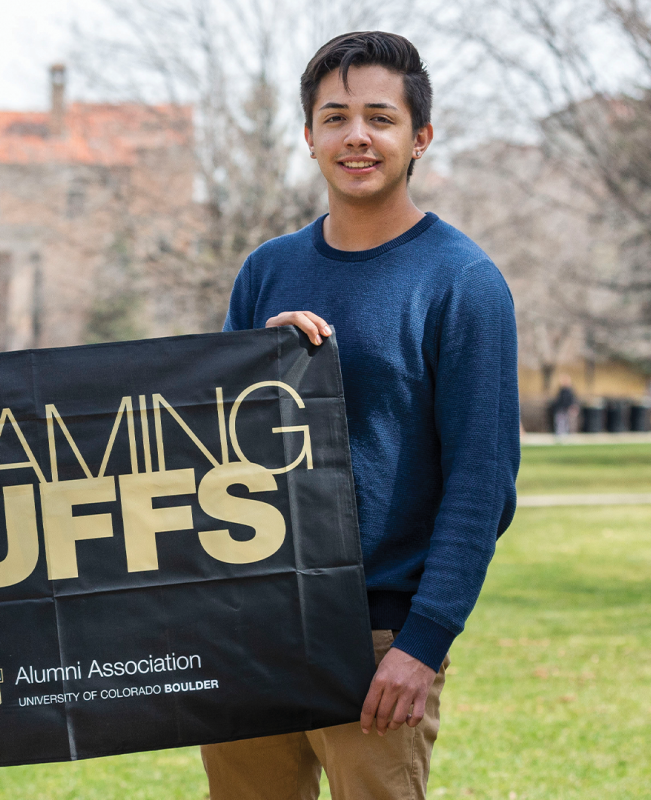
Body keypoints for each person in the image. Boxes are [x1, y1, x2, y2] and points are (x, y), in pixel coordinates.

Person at [200, 32, 520, 799]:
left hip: (377, 638)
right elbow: (210, 445)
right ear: (309, 136)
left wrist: (423, 642)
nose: (357, 137)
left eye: (380, 117)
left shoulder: (462, 281)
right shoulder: (267, 270)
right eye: (335, 117)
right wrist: (259, 364)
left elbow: (481, 484)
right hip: (253, 622)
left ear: (420, 137)